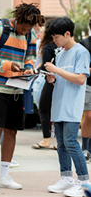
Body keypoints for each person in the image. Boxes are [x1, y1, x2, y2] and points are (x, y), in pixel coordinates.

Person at [0, 2, 43, 192]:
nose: (26, 31)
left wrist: (29, 68)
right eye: (24, 27)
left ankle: (4, 175)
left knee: (12, 131)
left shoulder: (30, 34)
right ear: (18, 20)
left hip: (17, 88)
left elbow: (30, 57)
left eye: (30, 28)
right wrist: (8, 65)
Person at [45, 17, 90, 197]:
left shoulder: (81, 52)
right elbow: (65, 77)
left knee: (71, 142)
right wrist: (53, 78)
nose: (54, 41)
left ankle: (84, 181)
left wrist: (57, 71)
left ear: (67, 34)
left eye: (56, 37)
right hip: (59, 104)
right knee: (62, 143)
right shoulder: (61, 52)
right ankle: (66, 178)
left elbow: (80, 79)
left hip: (72, 105)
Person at [32, 19, 58, 150]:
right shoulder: (63, 47)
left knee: (44, 108)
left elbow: (46, 66)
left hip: (50, 80)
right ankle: (58, 141)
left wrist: (35, 69)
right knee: (58, 110)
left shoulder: (48, 47)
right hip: (63, 80)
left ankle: (46, 140)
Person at [78, 18, 91, 162]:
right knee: (88, 116)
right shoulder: (84, 44)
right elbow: (82, 68)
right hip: (88, 84)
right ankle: (86, 148)